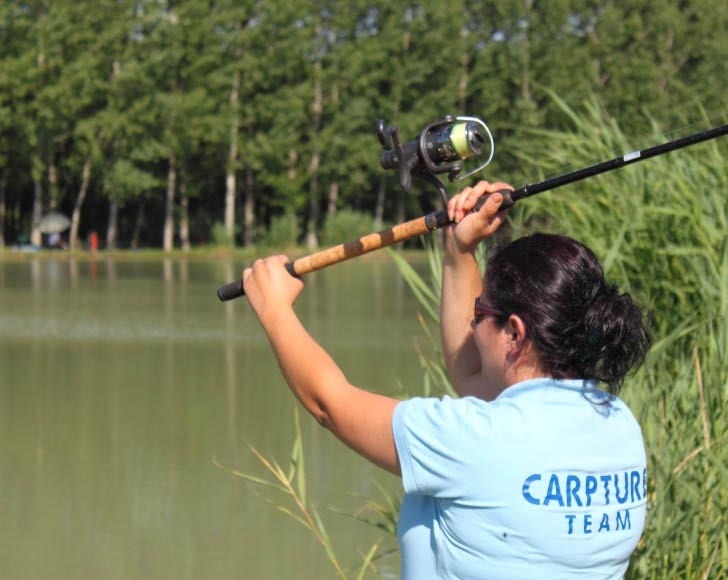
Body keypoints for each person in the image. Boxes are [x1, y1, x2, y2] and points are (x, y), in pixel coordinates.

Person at [242, 180, 652, 579]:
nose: (472, 327)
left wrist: (275, 309)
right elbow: (472, 372)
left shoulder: (473, 440)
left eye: (479, 314)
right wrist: (460, 250)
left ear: (514, 332)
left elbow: (329, 404)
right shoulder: (618, 424)